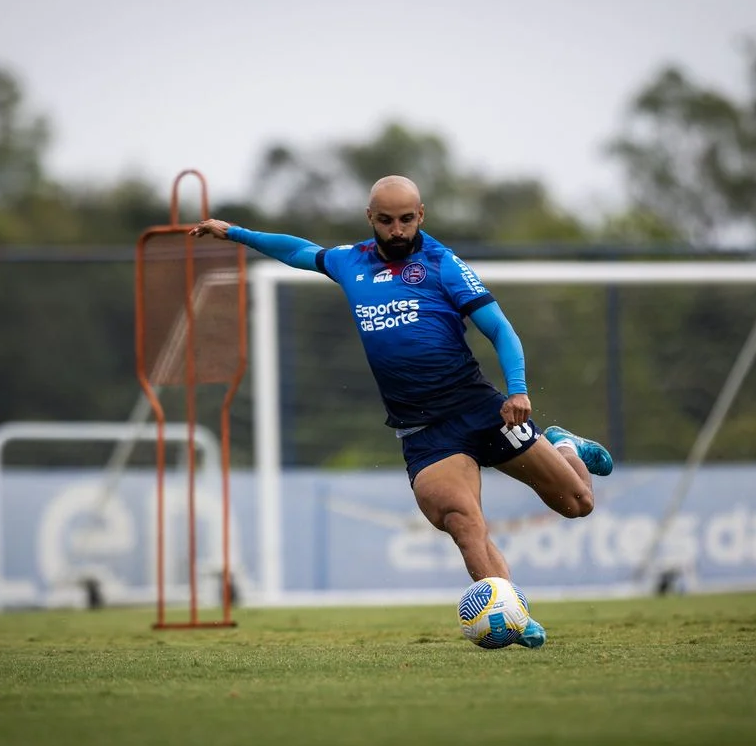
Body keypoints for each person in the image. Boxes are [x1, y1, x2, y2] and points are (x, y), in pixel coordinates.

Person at [189, 175, 612, 648]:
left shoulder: (441, 263)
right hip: (425, 431)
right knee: (463, 521)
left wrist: (517, 390)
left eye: (406, 219)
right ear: (371, 218)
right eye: (386, 220)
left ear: (421, 216)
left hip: (481, 409)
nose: (396, 230)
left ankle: (564, 444)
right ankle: (513, 618)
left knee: (578, 504)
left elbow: (500, 329)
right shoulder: (350, 262)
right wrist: (237, 233)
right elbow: (298, 251)